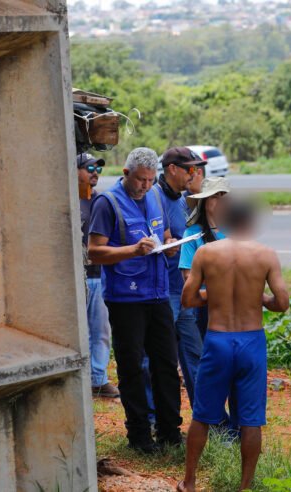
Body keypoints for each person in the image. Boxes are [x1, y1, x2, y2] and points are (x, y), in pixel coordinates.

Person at [177, 197, 289, 492]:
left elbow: (188, 299)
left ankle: (189, 481)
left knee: (202, 414)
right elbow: (282, 303)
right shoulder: (266, 255)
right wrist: (259, 298)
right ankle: (245, 487)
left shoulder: (206, 253)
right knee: (251, 419)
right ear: (250, 222)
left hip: (218, 339)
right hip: (251, 341)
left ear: (225, 222)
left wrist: (212, 295)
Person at [88, 147, 182, 454]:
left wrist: (169, 245)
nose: (145, 185)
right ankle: (139, 435)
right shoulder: (108, 202)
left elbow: (164, 232)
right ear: (126, 173)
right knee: (132, 368)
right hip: (126, 299)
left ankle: (169, 430)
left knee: (166, 364)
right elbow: (95, 251)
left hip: (158, 294)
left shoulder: (155, 195)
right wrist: (132, 250)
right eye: (140, 179)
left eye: (151, 180)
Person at [155, 147, 208, 405]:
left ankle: (206, 415)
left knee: (195, 354)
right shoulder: (155, 196)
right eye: (189, 169)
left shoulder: (185, 199)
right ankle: (158, 419)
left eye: (196, 169)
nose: (194, 174)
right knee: (161, 358)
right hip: (165, 292)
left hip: (185, 290)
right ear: (172, 169)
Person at [177, 176, 230, 409]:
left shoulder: (236, 231)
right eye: (215, 196)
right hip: (205, 308)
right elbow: (188, 277)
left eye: (224, 197)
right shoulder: (193, 233)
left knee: (231, 364)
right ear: (204, 201)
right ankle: (210, 414)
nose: (220, 202)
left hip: (233, 309)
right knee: (207, 362)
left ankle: (231, 420)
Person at [77, 152, 119, 399]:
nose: (94, 173)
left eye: (98, 169)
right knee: (78, 331)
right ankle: (78, 379)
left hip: (100, 276)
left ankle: (98, 379)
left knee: (101, 331)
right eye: (89, 167)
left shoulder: (101, 201)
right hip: (79, 277)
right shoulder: (69, 201)